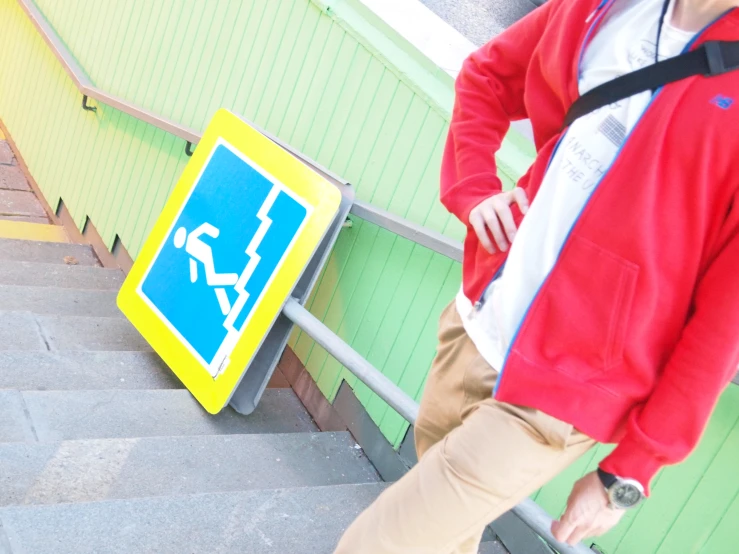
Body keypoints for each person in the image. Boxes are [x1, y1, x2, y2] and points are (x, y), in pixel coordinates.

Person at [335, 0, 739, 551]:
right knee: (444, 535)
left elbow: (722, 325)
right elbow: (486, 76)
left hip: (563, 392)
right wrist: (473, 186)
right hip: (477, 322)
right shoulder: (601, 8)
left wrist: (633, 469)